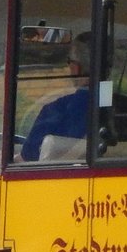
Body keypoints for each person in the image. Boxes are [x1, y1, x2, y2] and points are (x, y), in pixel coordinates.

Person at [20, 33, 91, 161]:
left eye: (69, 61)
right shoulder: (124, 106)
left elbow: (29, 155)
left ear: (76, 67)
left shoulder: (59, 109)